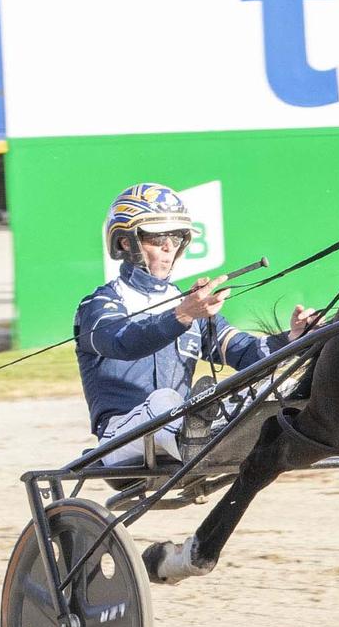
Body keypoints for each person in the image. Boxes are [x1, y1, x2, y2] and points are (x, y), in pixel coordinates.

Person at [75, 182, 317, 466]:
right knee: (164, 401)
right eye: (157, 238)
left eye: (176, 238)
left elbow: (247, 353)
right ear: (127, 242)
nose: (168, 248)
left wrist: (294, 337)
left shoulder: (187, 303)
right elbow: (123, 342)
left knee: (273, 386)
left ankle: (224, 435)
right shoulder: (99, 304)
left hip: (182, 425)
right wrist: (182, 315)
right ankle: (206, 436)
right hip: (121, 437)